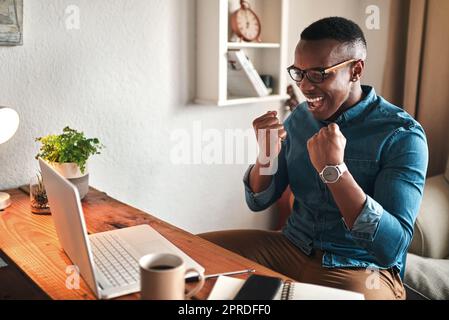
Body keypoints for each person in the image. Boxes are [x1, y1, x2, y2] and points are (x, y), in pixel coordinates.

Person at [198, 17, 429, 300]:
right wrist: (266, 154)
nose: (305, 86)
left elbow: (390, 247)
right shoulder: (299, 119)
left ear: (355, 70)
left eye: (319, 74)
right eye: (299, 73)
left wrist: (335, 172)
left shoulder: (402, 135)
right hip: (290, 247)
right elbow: (258, 200)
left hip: (360, 268)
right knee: (189, 254)